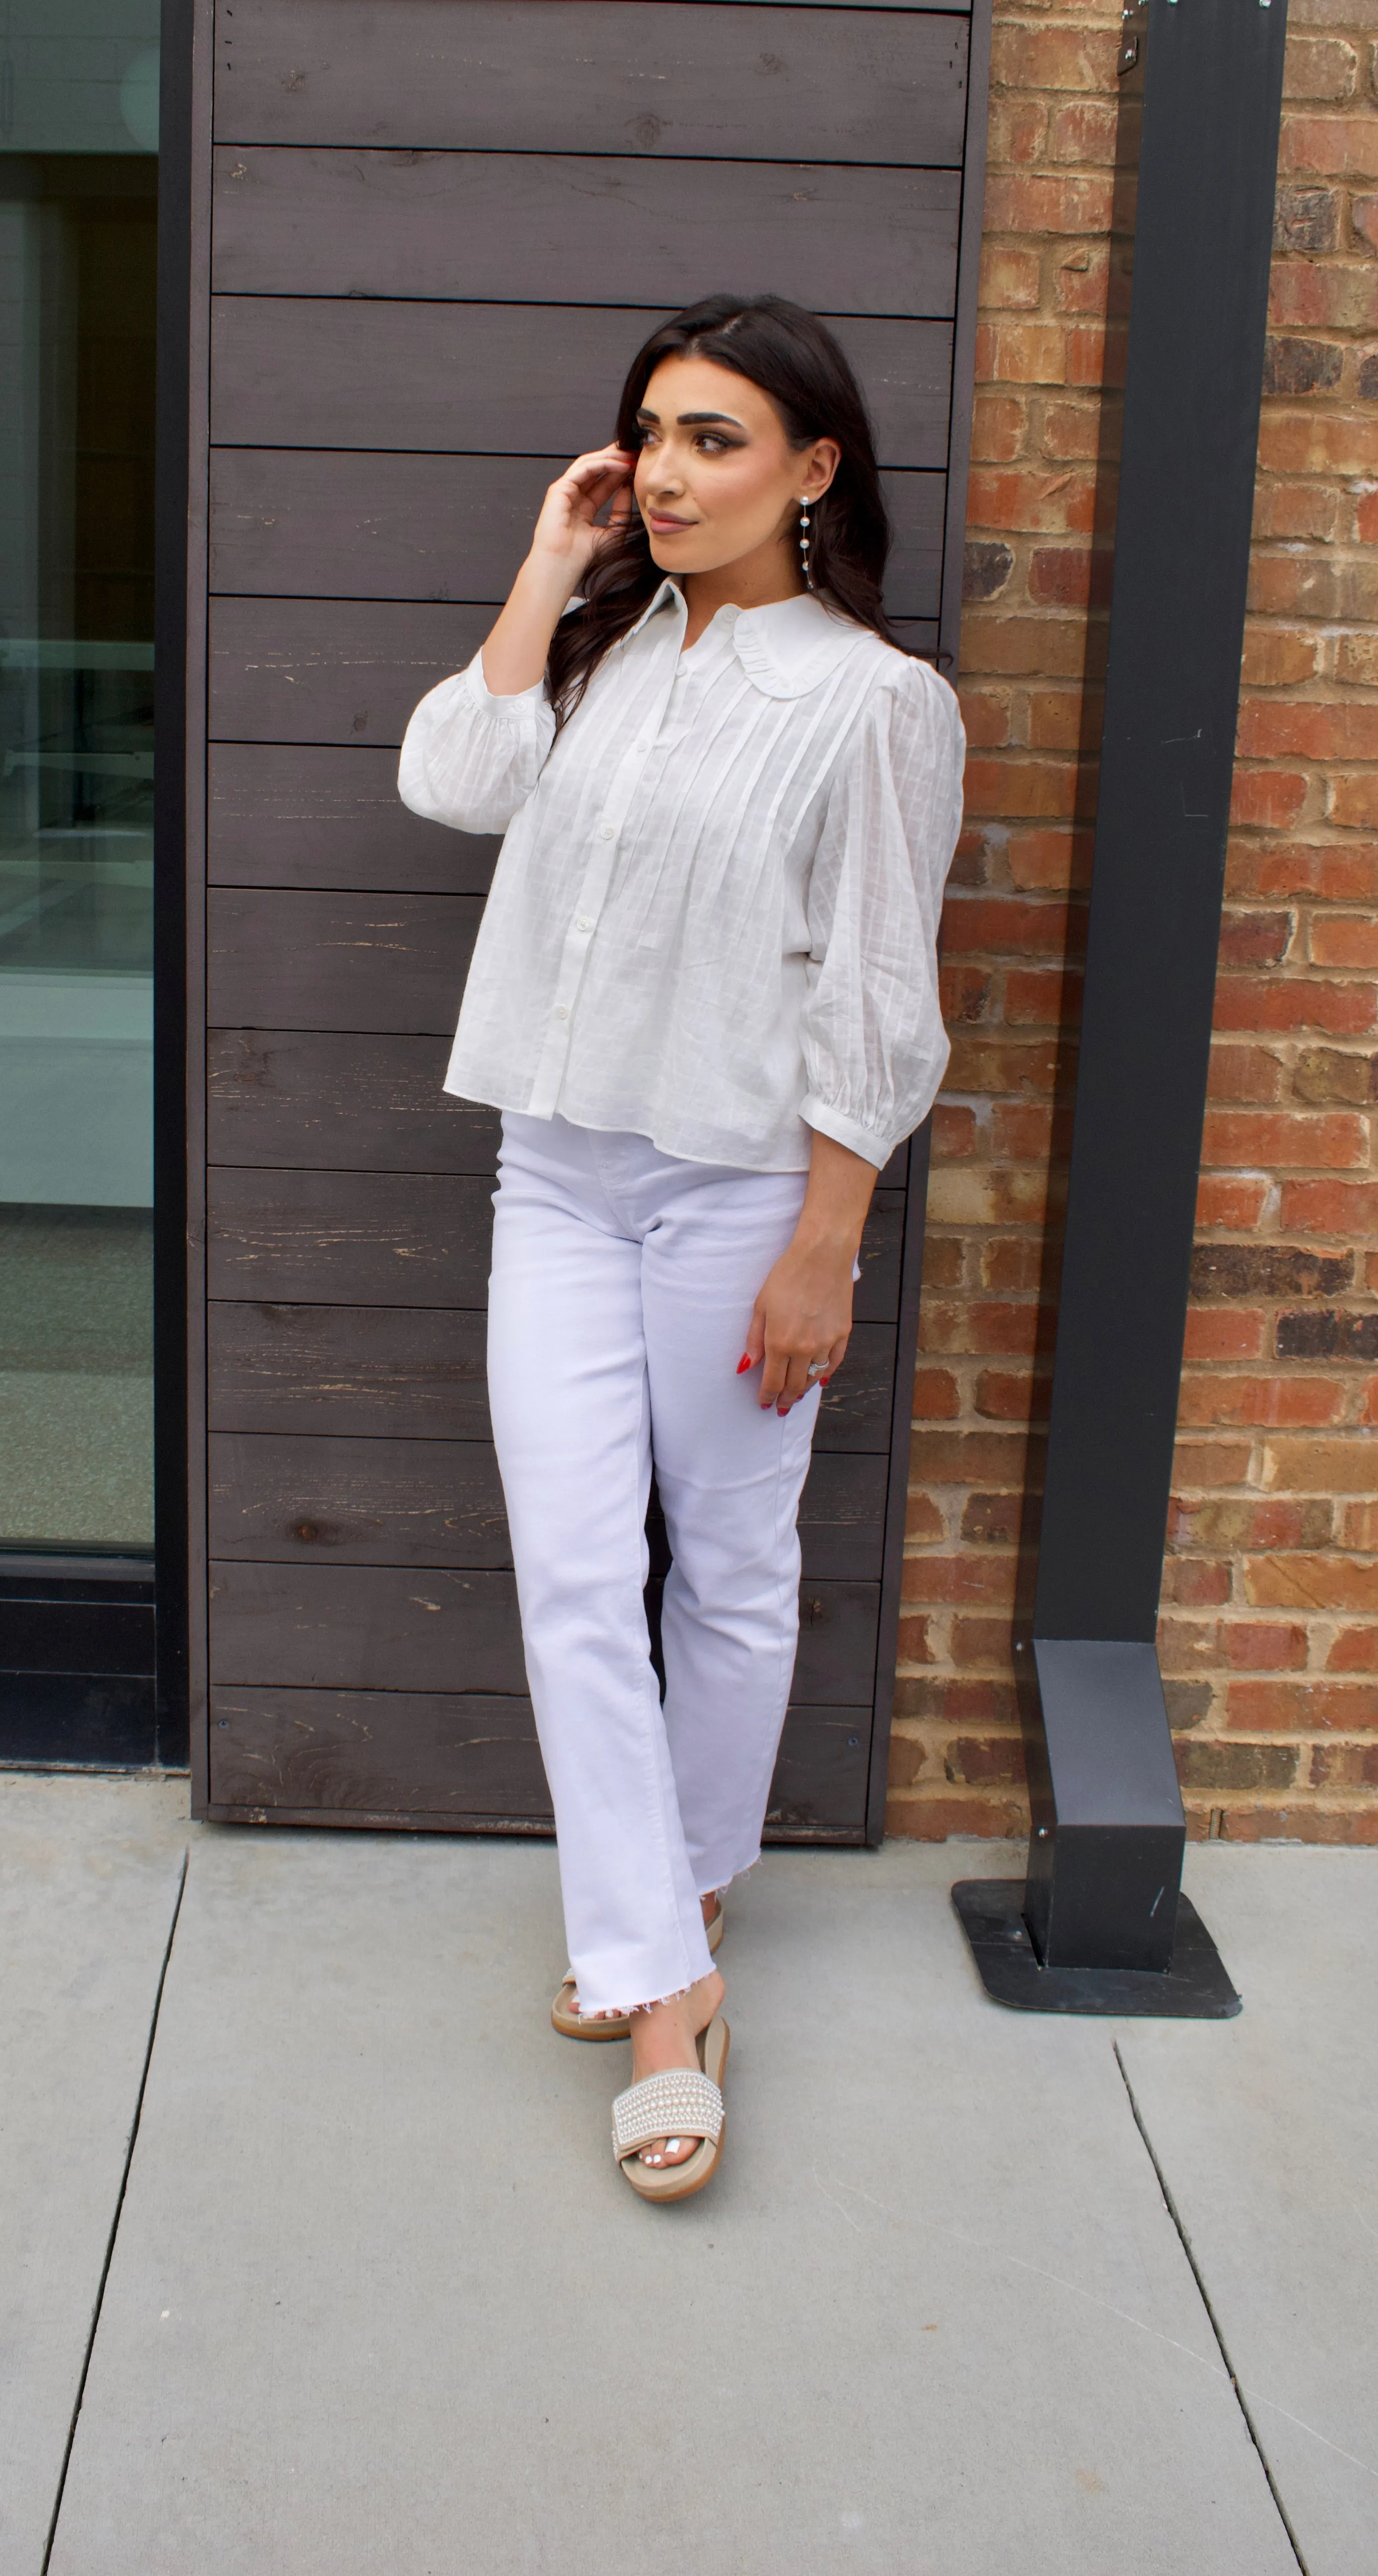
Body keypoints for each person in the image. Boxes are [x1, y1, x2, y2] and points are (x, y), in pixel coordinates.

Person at [398, 294, 964, 2202]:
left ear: (815, 469)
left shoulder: (876, 706)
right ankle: (662, 1989)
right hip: (551, 1180)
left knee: (723, 1567)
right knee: (575, 1572)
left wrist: (828, 1243)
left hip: (737, 1193)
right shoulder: (603, 652)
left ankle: (682, 1905)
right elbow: (446, 784)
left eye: (715, 439)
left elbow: (880, 1000)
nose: (666, 470)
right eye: (649, 434)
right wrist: (554, 560)